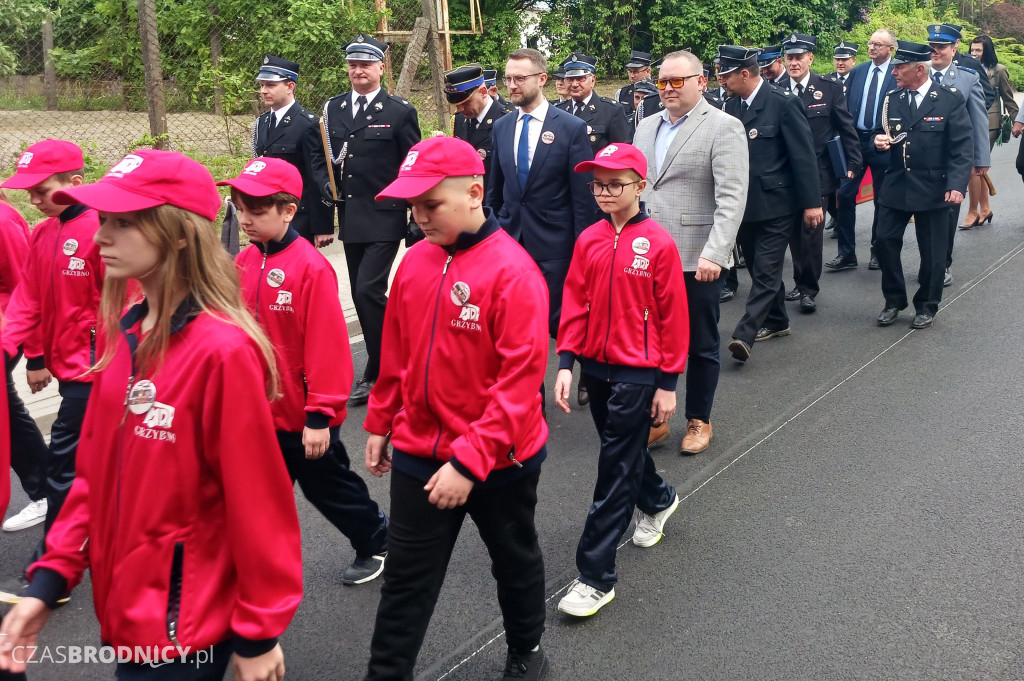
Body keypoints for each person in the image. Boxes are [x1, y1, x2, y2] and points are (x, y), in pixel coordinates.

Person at [0, 148, 304, 681]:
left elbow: (259, 504)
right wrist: (50, 580)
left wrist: (259, 634)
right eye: (104, 221)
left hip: (183, 628)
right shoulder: (124, 337)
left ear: (178, 234)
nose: (99, 237)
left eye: (122, 223)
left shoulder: (222, 352)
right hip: (126, 615)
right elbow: (92, 479)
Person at [363, 136, 551, 681]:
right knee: (406, 579)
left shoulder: (513, 273)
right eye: (412, 207)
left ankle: (526, 650)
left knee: (513, 559)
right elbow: (395, 352)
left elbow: (518, 384)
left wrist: (470, 461)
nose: (418, 218)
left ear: (473, 193)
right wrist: (380, 420)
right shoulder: (416, 262)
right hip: (421, 449)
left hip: (499, 458)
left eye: (430, 205)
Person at [223, 157, 389, 586]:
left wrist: (319, 416)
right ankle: (250, 568)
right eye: (240, 209)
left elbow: (327, 350)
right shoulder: (242, 262)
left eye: (257, 211)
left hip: (302, 416)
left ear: (288, 210)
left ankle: (376, 538)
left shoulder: (309, 267)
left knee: (328, 487)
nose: (246, 220)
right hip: (257, 413)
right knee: (250, 494)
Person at [553, 143, 688, 618]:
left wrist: (668, 383)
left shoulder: (659, 244)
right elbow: (574, 301)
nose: (606, 192)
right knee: (624, 453)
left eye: (616, 184)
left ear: (640, 185)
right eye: (598, 184)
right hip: (597, 367)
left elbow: (674, 319)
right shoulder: (589, 238)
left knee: (613, 469)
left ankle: (596, 576)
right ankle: (659, 498)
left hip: (639, 373)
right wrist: (567, 362)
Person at [0, 139, 104, 603]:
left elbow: (131, 304)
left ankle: (52, 572)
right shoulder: (44, 235)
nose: (33, 199)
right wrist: (11, 350)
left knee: (63, 467)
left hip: (100, 372)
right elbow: (26, 302)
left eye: (41, 190)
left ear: (75, 183)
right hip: (71, 370)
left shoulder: (107, 230)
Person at [633, 49, 748, 454]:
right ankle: (656, 420)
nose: (667, 88)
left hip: (696, 257)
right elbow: (639, 190)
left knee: (699, 342)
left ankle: (699, 419)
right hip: (646, 257)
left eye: (677, 81)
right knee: (646, 341)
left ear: (702, 82)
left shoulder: (724, 127)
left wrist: (716, 253)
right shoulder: (645, 127)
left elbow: (731, 198)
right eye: (662, 81)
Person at [322, 33, 421, 406]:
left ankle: (378, 369)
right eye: (353, 64)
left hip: (385, 214)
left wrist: (416, 213)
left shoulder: (399, 111)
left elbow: (412, 166)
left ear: (381, 68)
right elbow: (328, 162)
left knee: (366, 291)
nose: (358, 70)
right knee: (366, 297)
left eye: (366, 64)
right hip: (350, 216)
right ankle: (390, 359)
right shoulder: (334, 109)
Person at [717, 46, 821, 363]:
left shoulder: (783, 104)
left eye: (726, 74)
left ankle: (746, 334)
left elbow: (803, 157)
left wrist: (812, 203)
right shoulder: (730, 106)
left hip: (778, 204)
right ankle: (777, 320)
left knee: (765, 270)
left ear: (745, 74)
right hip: (744, 206)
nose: (721, 80)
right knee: (763, 266)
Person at [487, 48, 594, 340]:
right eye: (508, 79)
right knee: (516, 330)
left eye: (520, 78)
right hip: (511, 243)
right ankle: (532, 388)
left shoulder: (571, 128)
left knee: (561, 327)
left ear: (542, 78)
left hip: (554, 247)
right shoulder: (501, 126)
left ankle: (587, 381)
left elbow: (582, 200)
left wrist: (582, 254)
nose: (512, 86)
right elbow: (495, 191)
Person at [873, 42, 973, 329]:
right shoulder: (893, 99)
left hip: (933, 186)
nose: (894, 71)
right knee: (884, 242)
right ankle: (893, 300)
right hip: (896, 184)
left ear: (919, 69)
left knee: (933, 252)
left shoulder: (948, 99)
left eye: (899, 66)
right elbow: (885, 133)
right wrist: (877, 142)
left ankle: (927, 305)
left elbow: (961, 147)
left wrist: (957, 185)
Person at [781, 33, 862, 313]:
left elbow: (845, 127)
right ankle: (799, 279)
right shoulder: (774, 88)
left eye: (798, 57)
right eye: (789, 57)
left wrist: (853, 162)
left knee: (812, 232)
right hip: (785, 175)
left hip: (819, 173)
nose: (793, 62)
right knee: (793, 232)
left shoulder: (827, 88)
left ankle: (808, 289)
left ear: (810, 59)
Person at [827, 29, 897, 273]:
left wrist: (890, 134)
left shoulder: (897, 72)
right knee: (845, 194)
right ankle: (846, 253)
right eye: (870, 43)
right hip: (855, 142)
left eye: (878, 44)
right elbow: (846, 108)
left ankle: (878, 251)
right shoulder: (858, 72)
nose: (872, 47)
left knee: (881, 198)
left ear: (891, 49)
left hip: (883, 142)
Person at [926, 23, 990, 289]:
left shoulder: (967, 78)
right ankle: (929, 262)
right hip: (922, 160)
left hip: (954, 160)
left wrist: (980, 159)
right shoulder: (918, 74)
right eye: (933, 46)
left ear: (954, 49)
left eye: (941, 47)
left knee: (949, 215)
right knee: (925, 212)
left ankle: (943, 264)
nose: (936, 51)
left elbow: (978, 120)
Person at [0, 191, 48, 535]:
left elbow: (26, 289)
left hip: (6, 327)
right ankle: (46, 488)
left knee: (8, 414)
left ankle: (45, 491)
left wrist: (36, 355)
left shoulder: (3, 222)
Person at [251, 54, 335, 246]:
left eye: (270, 85)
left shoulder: (308, 124)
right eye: (262, 85)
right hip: (267, 215)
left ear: (290, 86)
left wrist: (322, 226)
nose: (263, 91)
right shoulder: (261, 124)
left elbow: (318, 177)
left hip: (297, 217)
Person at [966, 34, 1017, 226]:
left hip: (990, 123)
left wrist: (1018, 122)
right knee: (978, 167)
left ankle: (974, 211)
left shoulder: (998, 71)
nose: (975, 53)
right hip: (968, 122)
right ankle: (985, 209)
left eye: (979, 50)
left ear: (987, 51)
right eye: (972, 50)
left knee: (974, 166)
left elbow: (1008, 98)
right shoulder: (966, 68)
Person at [557, 53, 633, 152]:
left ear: (593, 80)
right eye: (570, 79)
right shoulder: (558, 110)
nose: (574, 84)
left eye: (581, 79)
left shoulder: (611, 111)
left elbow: (621, 152)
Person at [447, 63, 512, 178]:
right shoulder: (458, 120)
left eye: (466, 102)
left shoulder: (507, 120)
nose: (460, 109)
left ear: (483, 92)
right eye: (456, 104)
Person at [615, 50, 652, 114]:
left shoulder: (658, 91)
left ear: (648, 71)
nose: (632, 75)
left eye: (635, 72)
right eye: (629, 71)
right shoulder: (621, 93)